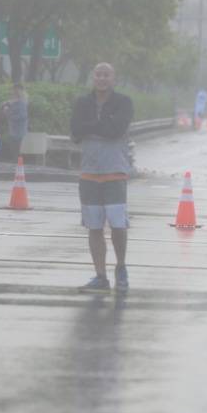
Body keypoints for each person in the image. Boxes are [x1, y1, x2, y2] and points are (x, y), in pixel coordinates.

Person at [71, 63, 134, 294]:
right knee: (94, 225)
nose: (102, 78)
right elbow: (75, 128)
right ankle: (100, 275)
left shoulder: (124, 103)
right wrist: (98, 127)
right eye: (98, 74)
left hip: (115, 171)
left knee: (118, 223)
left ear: (114, 78)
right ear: (92, 77)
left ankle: (121, 267)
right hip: (89, 172)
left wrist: (89, 129)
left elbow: (116, 130)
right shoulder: (82, 103)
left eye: (107, 74)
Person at [2, 83, 29, 161]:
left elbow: (23, 116)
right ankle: (15, 164)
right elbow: (3, 107)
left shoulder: (21, 102)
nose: (12, 91)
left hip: (19, 130)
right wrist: (6, 105)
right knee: (13, 148)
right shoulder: (13, 101)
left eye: (13, 90)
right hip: (13, 129)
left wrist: (10, 117)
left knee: (16, 149)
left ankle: (18, 166)